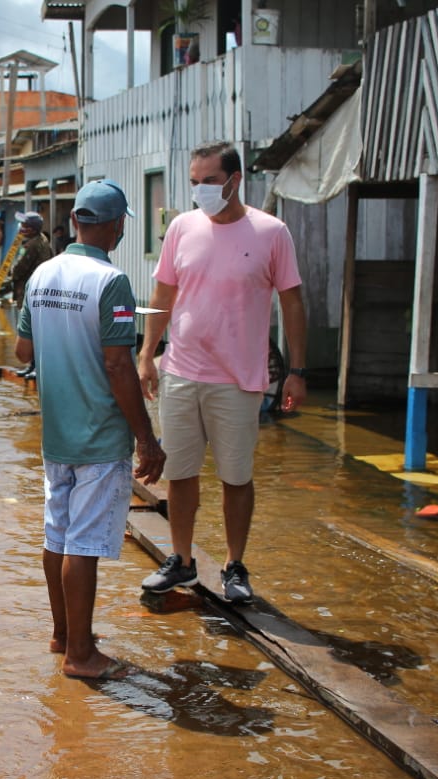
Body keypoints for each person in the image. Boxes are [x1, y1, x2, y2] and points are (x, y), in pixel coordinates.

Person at [137, 141, 308, 605]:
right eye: (194, 181)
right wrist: (147, 354)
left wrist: (297, 370)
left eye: (209, 181)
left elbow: (292, 301)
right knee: (181, 472)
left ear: (234, 180)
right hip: (181, 372)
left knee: (236, 477)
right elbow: (164, 293)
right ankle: (182, 562)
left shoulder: (271, 232)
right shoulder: (182, 228)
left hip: (238, 378)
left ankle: (234, 566)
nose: (200, 190)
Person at [15, 179, 166, 680]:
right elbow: (119, 366)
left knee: (57, 533)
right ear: (118, 226)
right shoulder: (112, 282)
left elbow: (23, 352)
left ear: (75, 221)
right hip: (99, 435)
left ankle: (63, 634)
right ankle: (81, 655)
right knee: (82, 543)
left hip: (55, 433)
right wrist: (145, 437)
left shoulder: (41, 275)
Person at [5, 211, 54, 305]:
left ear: (33, 230)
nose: (21, 228)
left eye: (24, 226)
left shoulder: (31, 246)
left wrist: (12, 274)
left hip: (27, 292)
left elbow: (19, 269)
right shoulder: (43, 239)